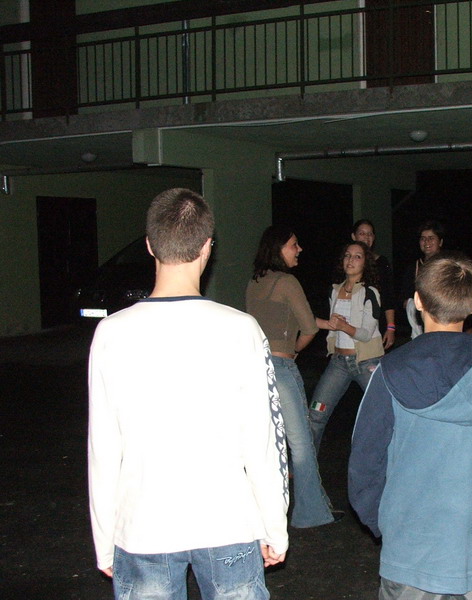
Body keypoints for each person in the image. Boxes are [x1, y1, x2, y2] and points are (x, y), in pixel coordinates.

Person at [88, 189, 288, 600]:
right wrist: (274, 526)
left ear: (149, 245)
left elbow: (103, 448)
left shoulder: (111, 333)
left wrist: (105, 537)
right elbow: (264, 441)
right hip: (228, 523)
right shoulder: (241, 330)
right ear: (207, 247)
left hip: (143, 528)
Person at [349, 252, 472, 600]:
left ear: (418, 302)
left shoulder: (389, 374)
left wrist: (389, 525)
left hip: (412, 557)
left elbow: (364, 464)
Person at [246, 225, 343, 527]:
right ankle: (310, 513)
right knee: (301, 443)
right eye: (294, 244)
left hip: (255, 367)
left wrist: (326, 323)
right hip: (281, 368)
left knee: (266, 441)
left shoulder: (255, 282)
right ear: (278, 249)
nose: (299, 249)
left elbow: (283, 318)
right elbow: (308, 328)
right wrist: (295, 350)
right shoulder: (287, 281)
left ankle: (264, 511)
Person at [308, 240, 384, 452]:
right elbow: (332, 328)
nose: (351, 260)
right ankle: (304, 465)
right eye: (347, 255)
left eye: (357, 256)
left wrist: (343, 326)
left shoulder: (370, 292)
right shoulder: (335, 290)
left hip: (367, 363)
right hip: (339, 363)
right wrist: (331, 326)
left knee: (384, 413)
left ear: (365, 263)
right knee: (316, 412)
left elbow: (366, 334)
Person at [352, 219, 397, 349]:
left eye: (370, 234)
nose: (366, 237)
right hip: (352, 322)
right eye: (362, 233)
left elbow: (388, 296)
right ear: (354, 236)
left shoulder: (381, 262)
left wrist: (391, 327)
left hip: (377, 324)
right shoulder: (347, 262)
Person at [400, 219, 444, 338]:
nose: (426, 242)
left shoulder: (449, 266)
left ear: (440, 242)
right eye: (423, 238)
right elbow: (405, 298)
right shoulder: (414, 267)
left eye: (431, 238)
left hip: (444, 323)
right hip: (420, 326)